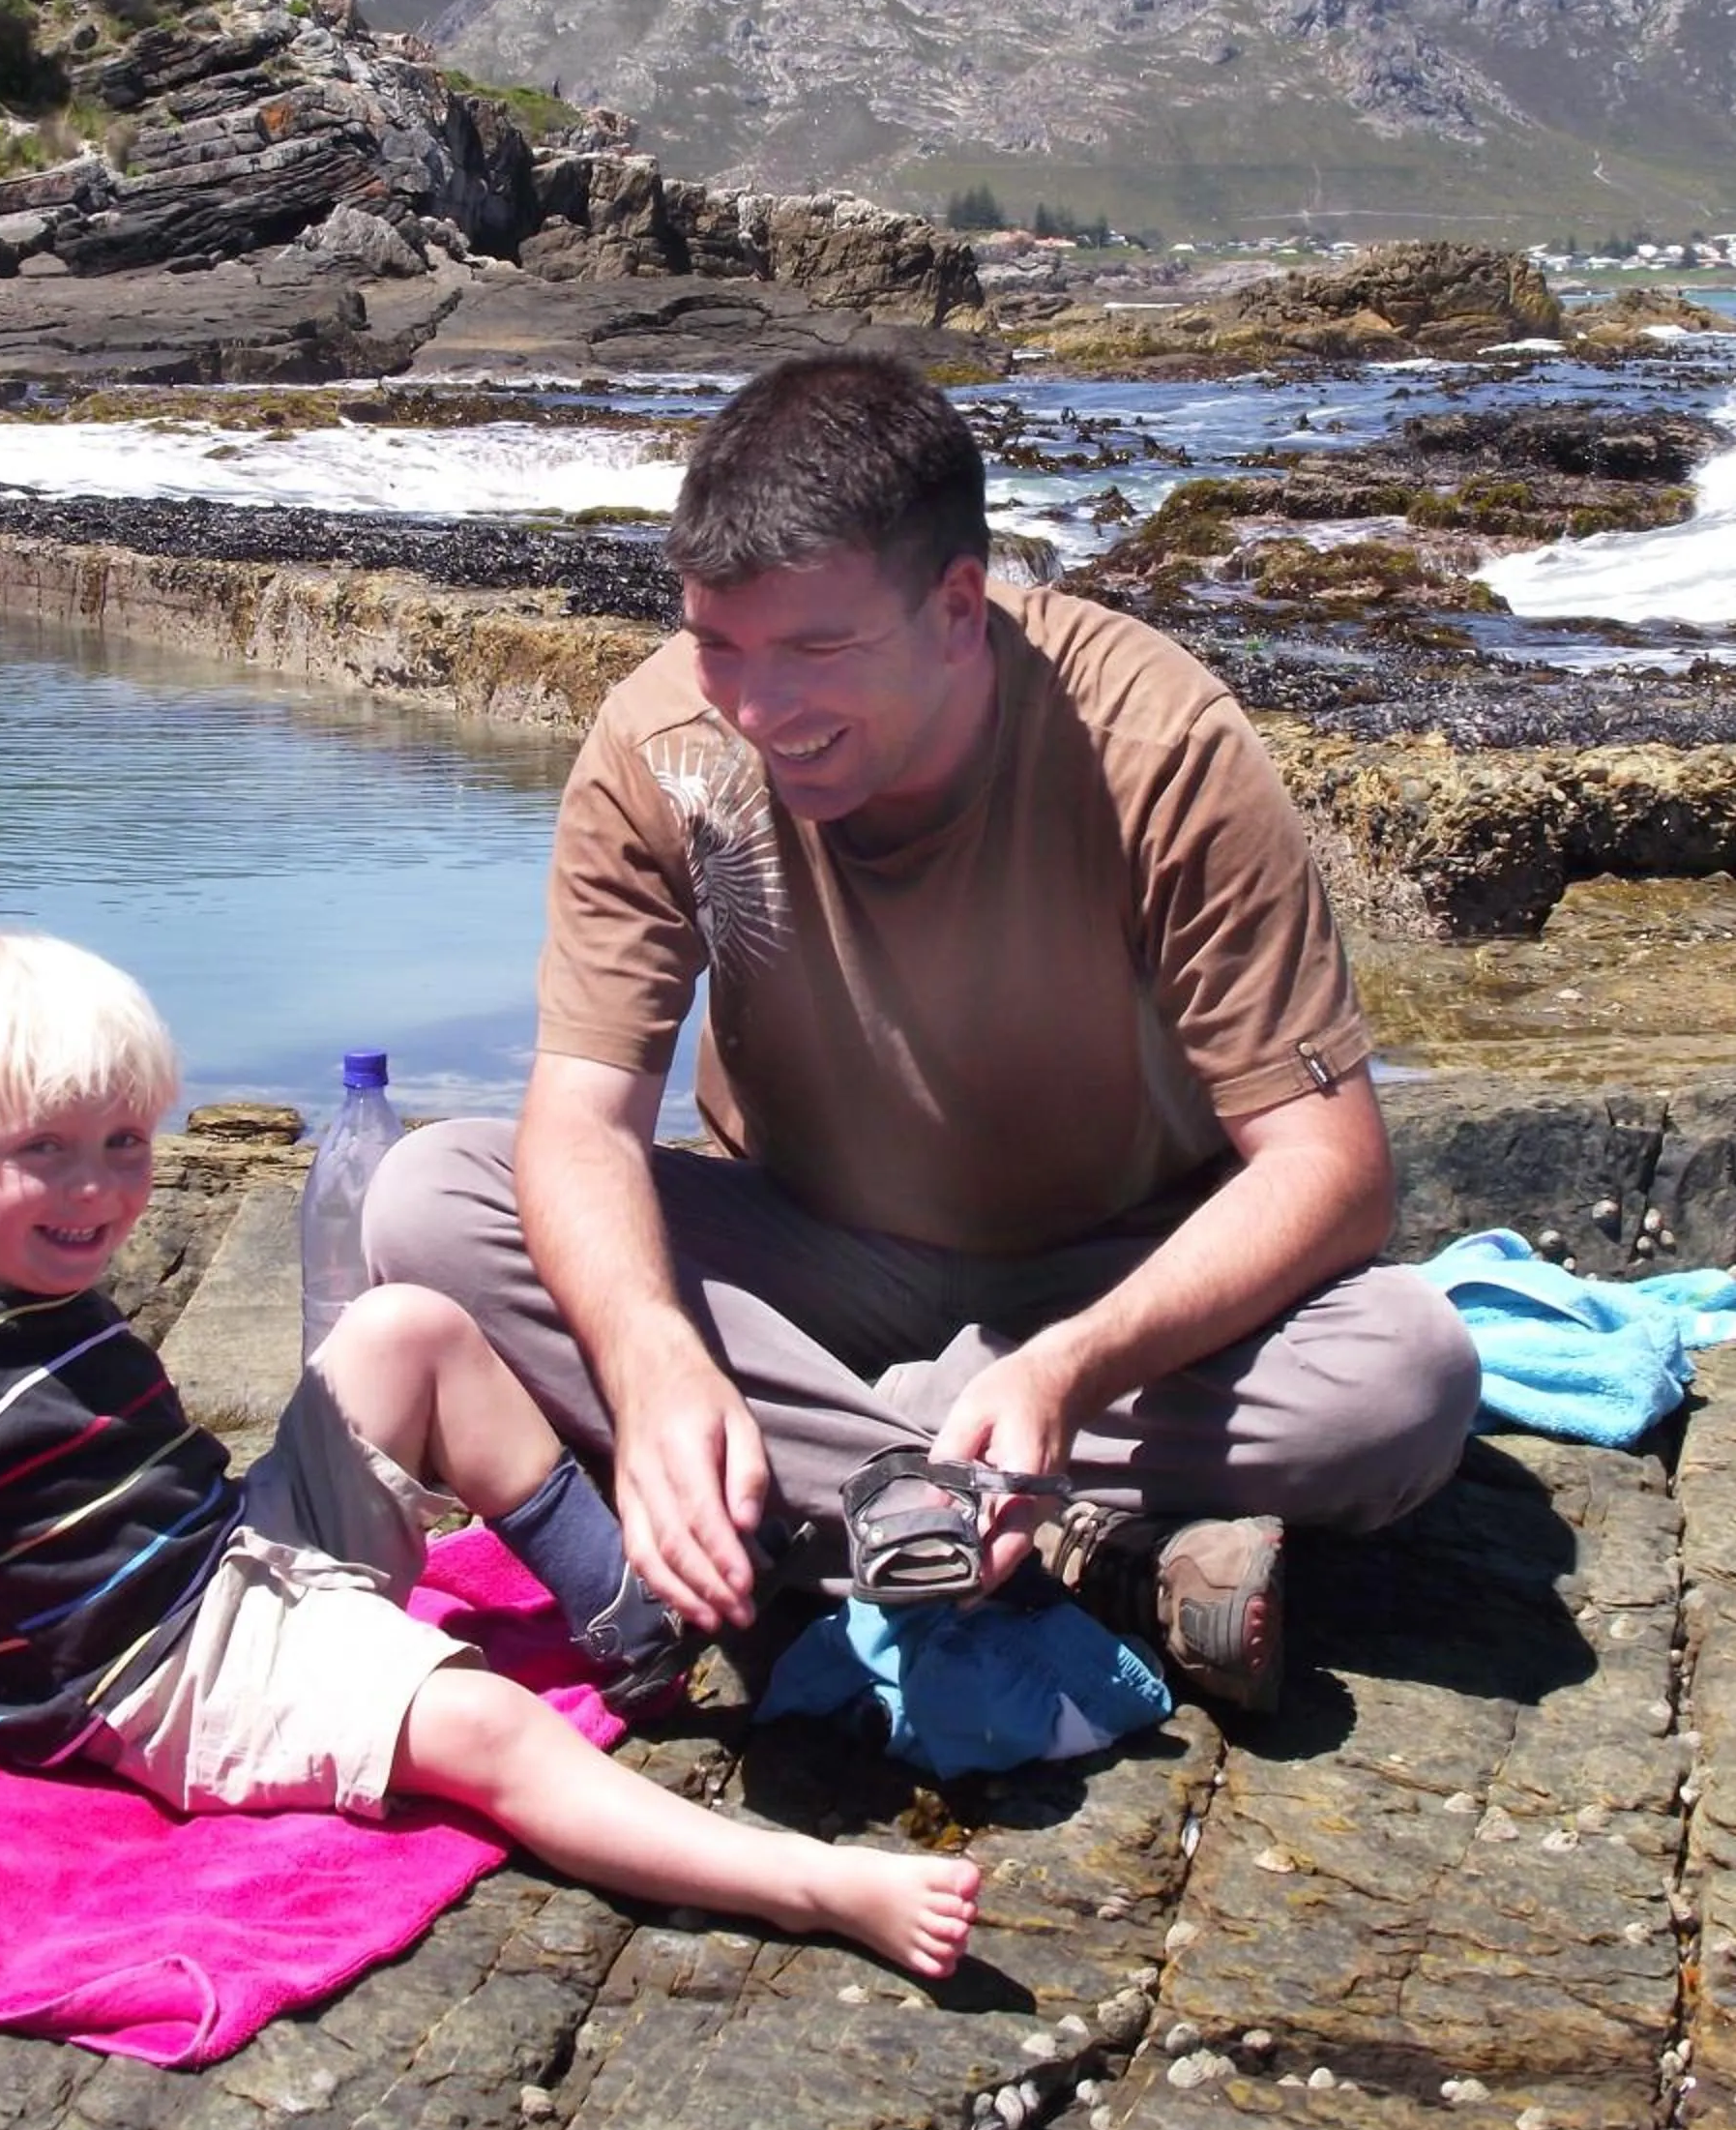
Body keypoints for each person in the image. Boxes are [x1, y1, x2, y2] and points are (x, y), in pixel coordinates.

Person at [365, 352, 1484, 1713]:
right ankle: (1063, 1543)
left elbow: (1330, 1169)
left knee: (1401, 1378)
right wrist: (650, 1356)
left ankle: (826, 1487)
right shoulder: (664, 747)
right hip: (813, 1250)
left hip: (1120, 1279)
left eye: (816, 650)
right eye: (720, 645)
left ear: (957, 607)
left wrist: (1068, 1367)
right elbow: (582, 1120)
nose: (758, 711)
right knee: (426, 1199)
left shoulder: (1154, 744)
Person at [0, 931, 980, 1982]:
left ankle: (632, 1617)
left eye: (123, 1142)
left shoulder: (43, 1292)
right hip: (153, 1680)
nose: (98, 1190)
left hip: (237, 1557)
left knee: (408, 1327)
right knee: (487, 1729)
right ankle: (810, 1885)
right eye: (43, 1150)